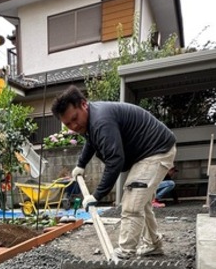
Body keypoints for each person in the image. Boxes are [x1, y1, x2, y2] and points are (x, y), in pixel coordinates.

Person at [50, 85, 177, 258]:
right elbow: (91, 141)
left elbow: (115, 160)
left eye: (74, 118)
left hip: (157, 150)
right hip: (146, 153)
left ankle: (125, 252)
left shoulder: (101, 120)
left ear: (83, 104)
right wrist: (80, 164)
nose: (74, 125)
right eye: (67, 124)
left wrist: (96, 195)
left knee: (132, 203)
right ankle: (153, 244)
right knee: (141, 202)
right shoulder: (90, 120)